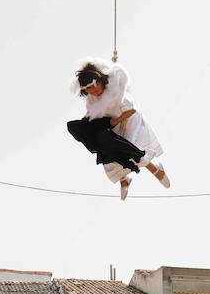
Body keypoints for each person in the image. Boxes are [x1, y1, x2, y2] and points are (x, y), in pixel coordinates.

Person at [68, 58, 170, 201]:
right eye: (90, 91)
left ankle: (155, 169)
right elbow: (95, 116)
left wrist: (116, 121)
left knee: (129, 150)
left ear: (100, 80)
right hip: (112, 125)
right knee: (106, 150)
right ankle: (124, 179)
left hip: (128, 121)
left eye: (95, 88)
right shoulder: (92, 99)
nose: (94, 92)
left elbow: (132, 110)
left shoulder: (115, 90)